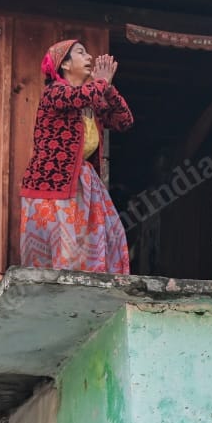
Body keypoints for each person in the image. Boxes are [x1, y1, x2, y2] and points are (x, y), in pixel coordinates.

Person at [19, 39, 133, 274]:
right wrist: (101, 82)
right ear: (65, 65)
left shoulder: (93, 101)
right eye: (81, 53)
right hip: (54, 184)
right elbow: (76, 98)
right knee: (64, 246)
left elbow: (124, 121)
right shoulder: (55, 92)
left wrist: (109, 88)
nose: (89, 57)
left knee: (110, 234)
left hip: (83, 180)